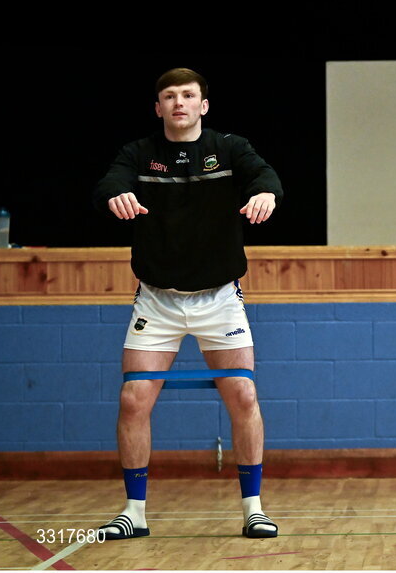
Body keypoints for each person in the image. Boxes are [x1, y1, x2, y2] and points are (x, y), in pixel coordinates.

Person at [92, 68, 284, 539]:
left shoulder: (230, 148)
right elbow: (108, 183)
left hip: (220, 300)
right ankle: (134, 512)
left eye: (189, 95)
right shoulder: (138, 154)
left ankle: (253, 508)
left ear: (203, 105)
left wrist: (264, 193)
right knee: (133, 398)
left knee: (244, 396)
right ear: (158, 108)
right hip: (156, 302)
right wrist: (116, 193)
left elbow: (266, 175)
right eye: (169, 96)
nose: (179, 102)